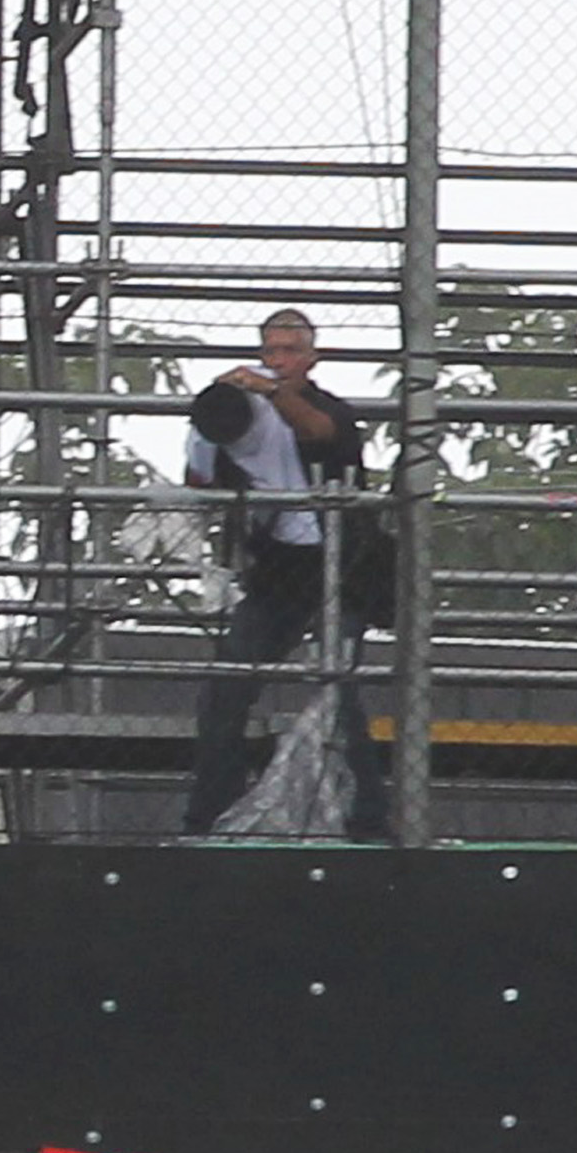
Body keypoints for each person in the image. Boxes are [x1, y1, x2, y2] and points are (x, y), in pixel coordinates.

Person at [178, 310, 385, 838]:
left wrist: (270, 393)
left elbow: (321, 432)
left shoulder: (322, 409)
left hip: (341, 568)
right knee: (226, 687)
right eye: (270, 350)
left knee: (338, 689)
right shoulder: (249, 416)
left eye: (290, 350)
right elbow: (202, 478)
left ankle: (368, 822)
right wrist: (218, 413)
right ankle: (209, 816)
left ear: (312, 357)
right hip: (276, 575)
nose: (277, 361)